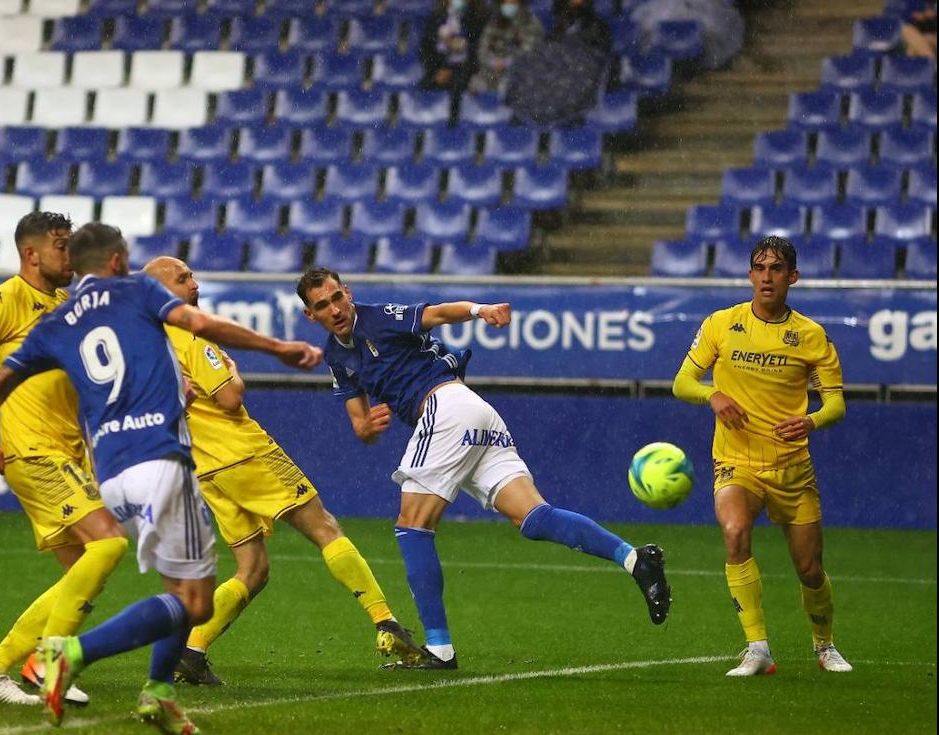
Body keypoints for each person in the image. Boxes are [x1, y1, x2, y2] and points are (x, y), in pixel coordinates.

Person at [0, 224, 321, 735]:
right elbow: (200, 323)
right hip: (158, 457)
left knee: (163, 583)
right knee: (191, 598)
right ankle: (67, 655)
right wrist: (279, 348)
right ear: (118, 261)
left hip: (112, 468)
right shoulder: (136, 292)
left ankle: (155, 692)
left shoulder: (57, 321)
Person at [296, 267, 670, 669]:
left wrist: (481, 310)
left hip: (446, 407)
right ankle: (636, 559)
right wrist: (368, 428)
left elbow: (436, 313)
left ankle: (439, 649)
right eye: (322, 305)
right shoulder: (336, 357)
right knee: (534, 518)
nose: (335, 309)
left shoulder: (377, 317)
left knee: (412, 525)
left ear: (348, 293)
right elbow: (361, 426)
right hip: (473, 414)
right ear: (310, 315)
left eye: (337, 297)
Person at [142, 257, 426, 686]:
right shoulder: (190, 334)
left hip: (206, 467)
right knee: (325, 527)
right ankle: (387, 625)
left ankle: (191, 652)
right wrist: (232, 368)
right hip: (243, 452)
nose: (194, 284)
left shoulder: (149, 342)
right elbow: (230, 397)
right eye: (183, 279)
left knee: (252, 569)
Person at [0, 211, 128, 707]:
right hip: (34, 452)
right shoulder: (5, 300)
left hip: (70, 453)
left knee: (81, 574)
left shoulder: (65, 303)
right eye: (62, 246)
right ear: (31, 253)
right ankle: (42, 663)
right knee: (107, 544)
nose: (72, 255)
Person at [672, 236, 852, 677]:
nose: (766, 276)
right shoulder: (721, 324)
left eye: (776, 269)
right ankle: (757, 648)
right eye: (759, 267)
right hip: (738, 462)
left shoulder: (811, 336)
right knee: (734, 532)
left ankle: (824, 645)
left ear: (792, 277)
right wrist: (713, 395)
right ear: (750, 274)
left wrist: (811, 421)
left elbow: (836, 404)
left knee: (810, 570)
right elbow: (682, 382)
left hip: (792, 469)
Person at [469, 0, 544, 94]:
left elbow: (531, 52)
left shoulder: (531, 23)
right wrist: (492, 62)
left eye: (512, 2)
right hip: (489, 75)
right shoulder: (494, 23)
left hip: (519, 77)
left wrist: (507, 62)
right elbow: (482, 51)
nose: (509, 5)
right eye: (506, 2)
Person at [419, 0, 489, 98]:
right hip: (439, 70)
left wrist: (462, 46)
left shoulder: (477, 20)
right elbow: (426, 47)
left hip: (464, 73)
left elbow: (477, 50)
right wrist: (438, 69)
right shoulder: (437, 18)